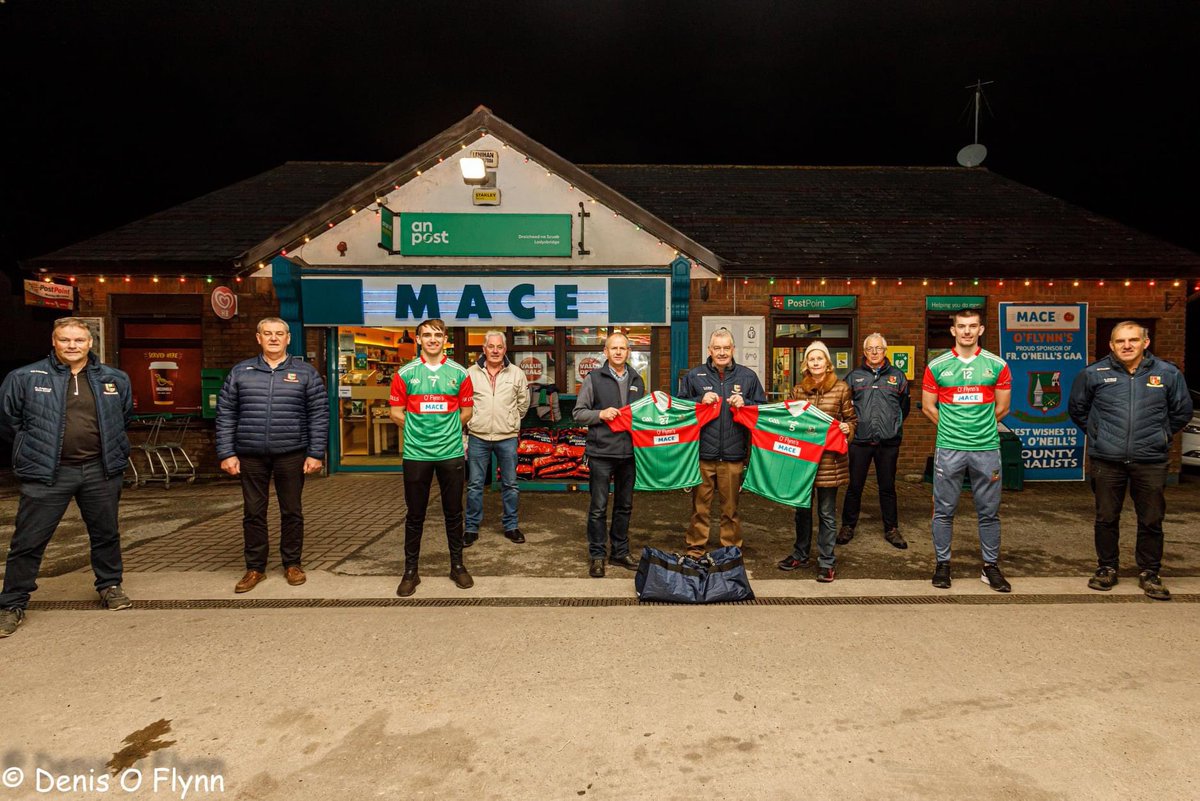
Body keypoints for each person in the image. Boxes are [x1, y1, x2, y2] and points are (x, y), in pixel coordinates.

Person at [0, 317, 134, 638]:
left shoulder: (114, 378)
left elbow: (124, 416)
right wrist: (33, 449)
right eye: (65, 340)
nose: (72, 345)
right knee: (29, 540)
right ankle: (12, 603)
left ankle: (110, 585)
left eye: (78, 340)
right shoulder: (25, 377)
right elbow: (9, 421)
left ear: (90, 343)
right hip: (48, 473)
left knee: (106, 533)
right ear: (54, 341)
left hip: (100, 471)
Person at [1068, 321, 1193, 600]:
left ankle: (1150, 572)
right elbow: (1077, 409)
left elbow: (1181, 411)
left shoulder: (1167, 373)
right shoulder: (1094, 374)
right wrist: (1100, 434)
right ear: (1111, 345)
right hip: (1107, 459)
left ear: (1145, 343)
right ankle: (1106, 568)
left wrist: (1158, 435)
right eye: (1120, 341)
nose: (1127, 345)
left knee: (1150, 519)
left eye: (1133, 340)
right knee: (1106, 518)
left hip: (1150, 460)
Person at [216, 317, 328, 593]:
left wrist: (315, 453)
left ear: (288, 338)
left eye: (279, 334)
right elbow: (226, 414)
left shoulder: (305, 373)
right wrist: (227, 452)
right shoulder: (241, 371)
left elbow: (319, 414)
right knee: (253, 512)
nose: (274, 338)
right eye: (268, 334)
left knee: (292, 510)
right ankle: (255, 568)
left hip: (291, 452)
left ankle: (292, 564)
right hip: (250, 453)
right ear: (258, 338)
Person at [921, 309, 1013, 592]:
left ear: (981, 330)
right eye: (962, 326)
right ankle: (943, 565)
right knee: (944, 510)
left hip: (986, 449)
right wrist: (952, 429)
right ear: (953, 331)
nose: (967, 331)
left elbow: (1003, 408)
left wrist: (979, 430)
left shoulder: (996, 365)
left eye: (972, 326)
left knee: (988, 511)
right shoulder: (937, 366)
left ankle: (990, 567)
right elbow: (928, 407)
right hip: (949, 449)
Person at [390, 318, 474, 596]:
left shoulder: (460, 373)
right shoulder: (405, 374)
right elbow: (395, 412)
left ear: (446, 340)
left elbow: (467, 413)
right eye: (426, 335)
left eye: (438, 335)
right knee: (415, 514)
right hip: (416, 454)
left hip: (450, 453)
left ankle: (458, 566)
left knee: (453, 513)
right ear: (418, 339)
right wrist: (419, 431)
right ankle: (411, 572)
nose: (432, 340)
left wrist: (446, 432)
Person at [679, 328, 766, 557]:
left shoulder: (747, 377)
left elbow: (762, 411)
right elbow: (680, 408)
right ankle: (696, 549)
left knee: (731, 509)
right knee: (699, 508)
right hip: (702, 455)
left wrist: (745, 402)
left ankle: (730, 550)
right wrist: (699, 400)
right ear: (709, 350)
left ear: (733, 349)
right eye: (717, 348)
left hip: (733, 454)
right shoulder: (694, 375)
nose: (721, 352)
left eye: (726, 348)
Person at [776, 342, 855, 582]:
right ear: (806, 364)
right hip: (802, 462)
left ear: (828, 363)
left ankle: (826, 561)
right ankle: (800, 553)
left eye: (820, 358)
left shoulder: (841, 389)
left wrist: (847, 428)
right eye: (812, 359)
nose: (816, 362)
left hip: (829, 462)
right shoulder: (798, 391)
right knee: (801, 510)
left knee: (826, 513)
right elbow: (787, 419)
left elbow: (852, 420)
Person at [573, 331, 645, 578]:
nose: (617, 352)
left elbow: (641, 417)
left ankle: (620, 552)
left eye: (622, 348)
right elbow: (578, 413)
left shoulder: (637, 379)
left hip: (628, 454)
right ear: (605, 352)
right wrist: (601, 414)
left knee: (625, 506)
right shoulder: (593, 378)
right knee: (598, 507)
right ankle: (597, 556)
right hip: (601, 453)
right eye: (613, 348)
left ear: (628, 352)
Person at [838, 333, 911, 549]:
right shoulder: (853, 377)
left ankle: (891, 529)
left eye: (878, 348)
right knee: (855, 486)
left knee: (887, 486)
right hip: (860, 442)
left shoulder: (898, 377)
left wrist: (893, 426)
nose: (874, 352)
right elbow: (845, 408)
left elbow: (903, 407)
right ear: (864, 351)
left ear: (885, 350)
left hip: (888, 443)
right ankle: (848, 526)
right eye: (870, 348)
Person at [465, 330, 529, 545]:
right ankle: (471, 528)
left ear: (504, 349)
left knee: (510, 484)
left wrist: (510, 420)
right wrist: (474, 421)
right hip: (478, 436)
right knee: (474, 485)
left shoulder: (517, 373)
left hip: (507, 437)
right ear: (484, 349)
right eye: (490, 346)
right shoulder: (470, 373)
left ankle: (511, 526)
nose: (494, 350)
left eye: (499, 347)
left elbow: (523, 404)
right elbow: (463, 403)